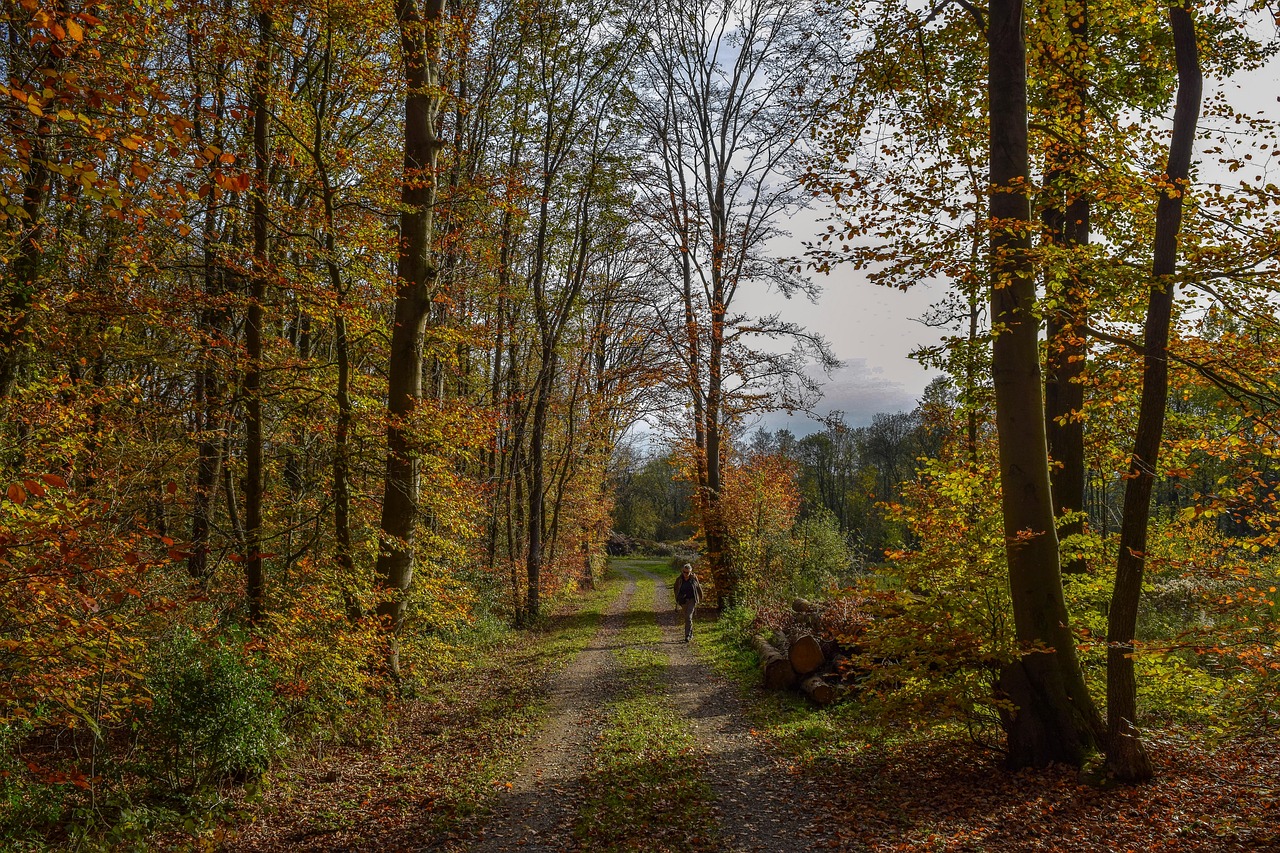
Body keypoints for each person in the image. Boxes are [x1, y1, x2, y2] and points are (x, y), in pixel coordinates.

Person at [674, 563, 702, 643]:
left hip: (692, 600)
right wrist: (677, 598)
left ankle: (687, 635)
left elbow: (698, 588)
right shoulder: (679, 579)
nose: (685, 574)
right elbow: (675, 588)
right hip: (683, 601)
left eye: (687, 572)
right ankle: (690, 633)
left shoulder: (693, 579)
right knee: (687, 618)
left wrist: (700, 597)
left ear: (690, 572)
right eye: (684, 572)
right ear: (682, 571)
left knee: (688, 617)